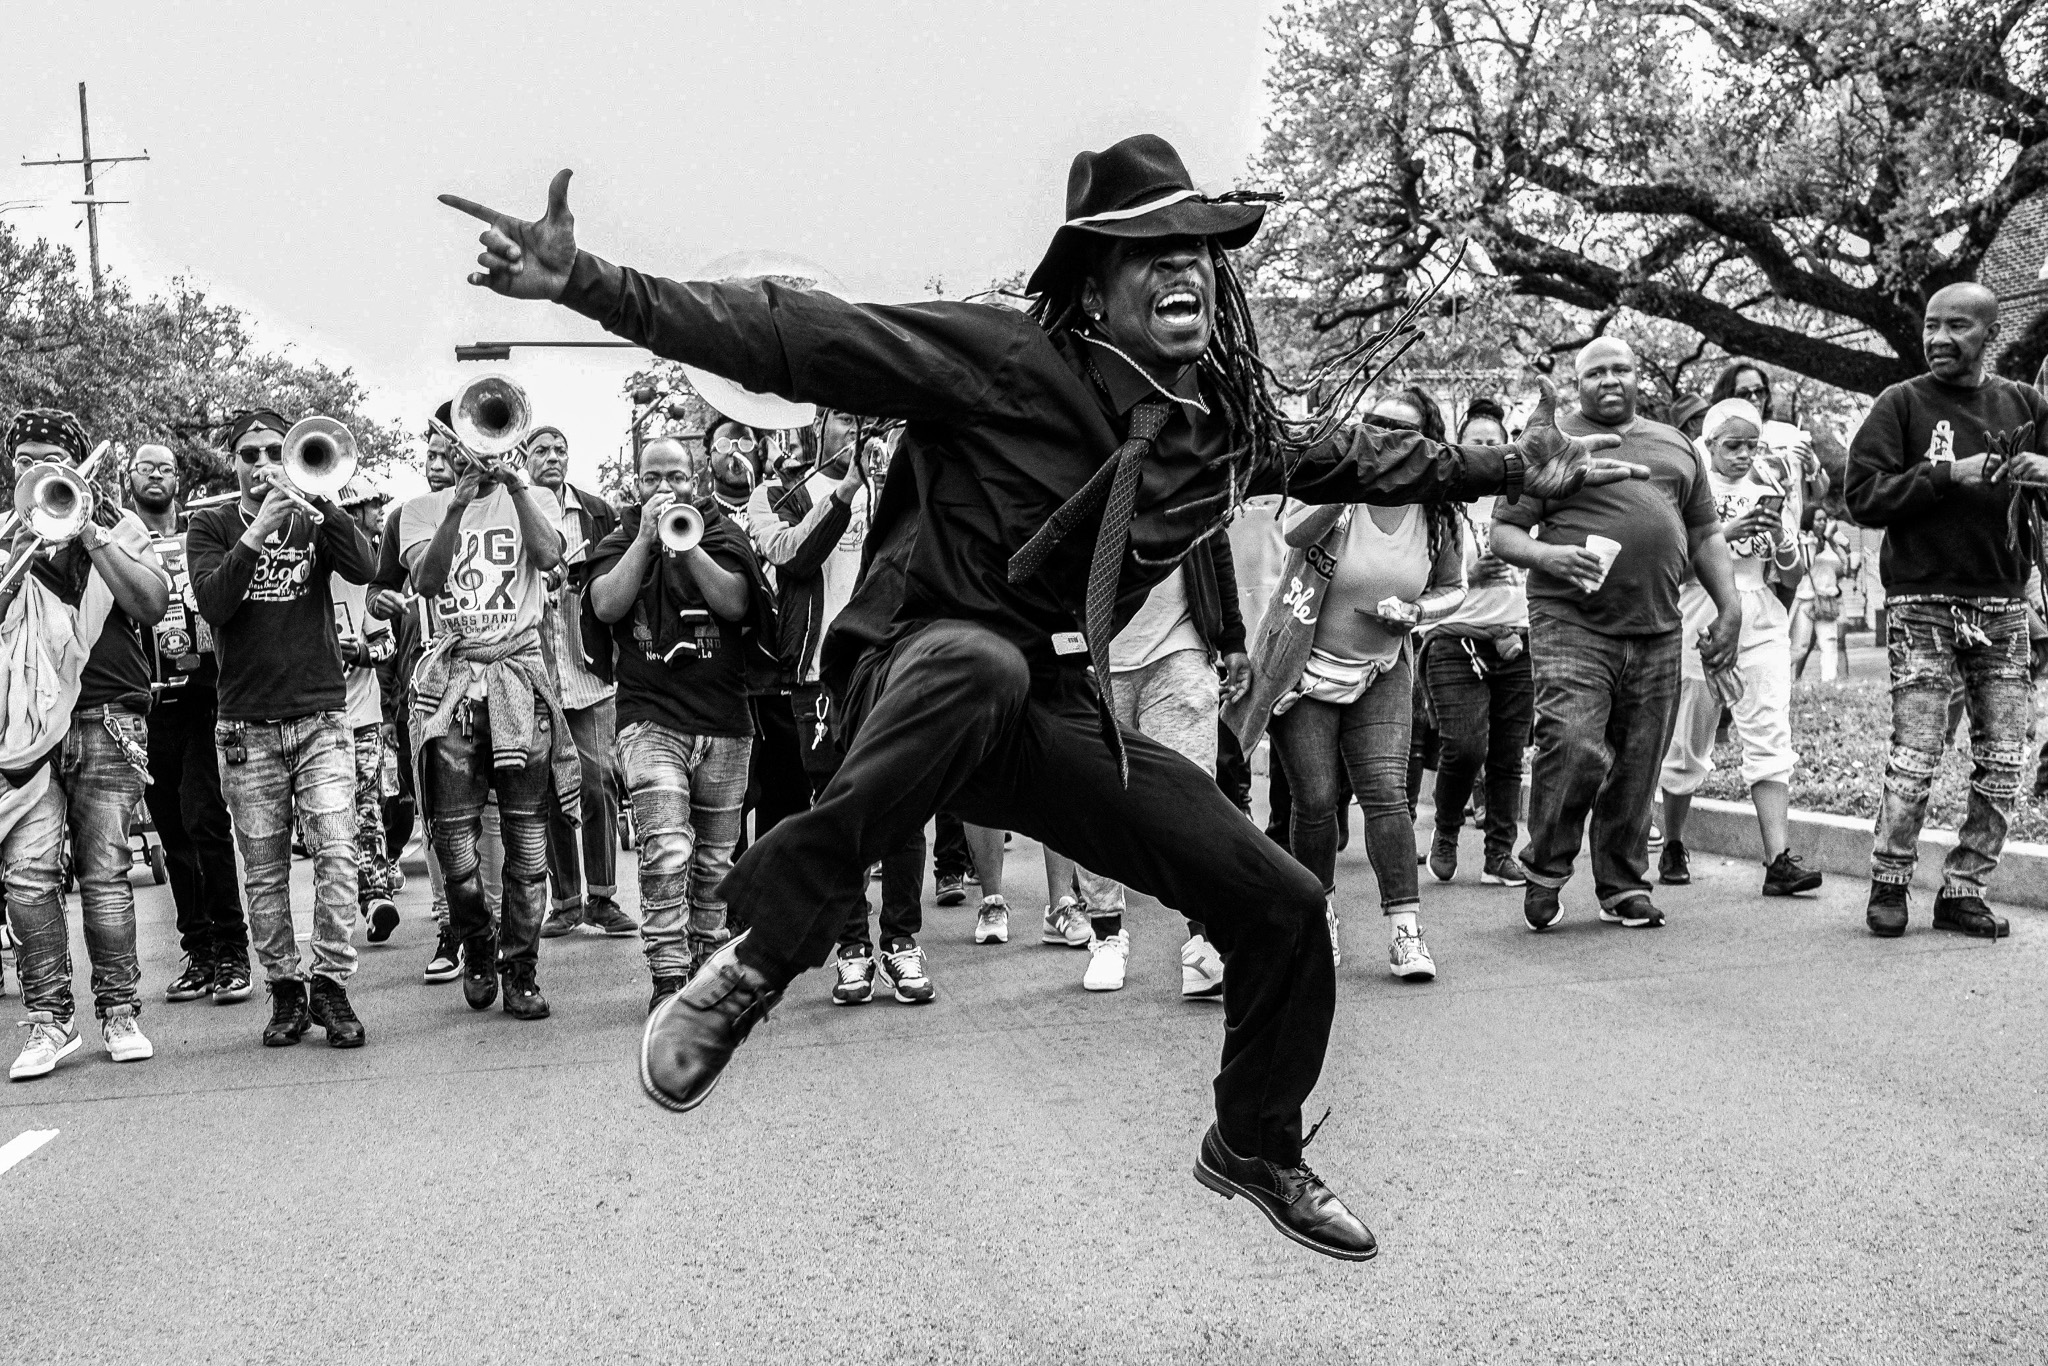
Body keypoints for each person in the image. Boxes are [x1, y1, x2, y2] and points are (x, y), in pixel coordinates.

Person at [443, 134, 1633, 1261]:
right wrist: (588, 282)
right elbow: (794, 334)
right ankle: (760, 954)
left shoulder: (1210, 431)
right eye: (1146, 251)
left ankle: (1255, 1139)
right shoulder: (1005, 358)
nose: (1181, 267)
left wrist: (1501, 467)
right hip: (915, 672)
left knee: (1277, 901)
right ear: (1096, 288)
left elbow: (1348, 457)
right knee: (982, 662)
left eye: (1197, 252)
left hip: (1052, 711)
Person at [1491, 338, 1742, 932]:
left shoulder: (1676, 444)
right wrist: (1550, 557)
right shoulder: (1552, 442)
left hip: (1657, 624)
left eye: (1620, 369)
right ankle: (1547, 868)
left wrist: (1729, 605)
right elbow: (1504, 534)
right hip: (1571, 621)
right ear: (1577, 384)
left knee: (1638, 760)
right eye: (1595, 372)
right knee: (1574, 745)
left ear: (1637, 378)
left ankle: (1623, 884)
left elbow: (1705, 534)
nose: (1610, 380)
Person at [1234, 388, 1466, 983]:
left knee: (1387, 792)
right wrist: (1347, 489)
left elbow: (1452, 587)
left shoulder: (1436, 510)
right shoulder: (1338, 485)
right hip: (1305, 668)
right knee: (1315, 803)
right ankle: (1320, 917)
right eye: (1377, 426)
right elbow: (1294, 539)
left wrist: (1418, 613)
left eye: (1404, 431)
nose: (1387, 438)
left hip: (1381, 667)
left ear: (1428, 441)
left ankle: (1405, 933)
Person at [1844, 281, 2048, 940]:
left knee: (2003, 758)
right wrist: (1946, 475)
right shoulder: (1900, 404)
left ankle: (1964, 889)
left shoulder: (2023, 402)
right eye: (1932, 325)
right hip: (1922, 602)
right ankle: (1891, 882)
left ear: (1989, 334)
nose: (1938, 338)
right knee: (1917, 754)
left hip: (2002, 604)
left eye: (1957, 326)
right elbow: (1863, 495)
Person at [188, 408, 375, 1050]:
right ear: (233, 463)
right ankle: (286, 990)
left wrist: (323, 501)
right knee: (264, 870)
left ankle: (331, 982)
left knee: (338, 853)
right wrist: (256, 533)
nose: (263, 463)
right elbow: (213, 603)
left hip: (320, 714)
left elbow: (365, 566)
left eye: (275, 450)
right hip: (246, 727)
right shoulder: (209, 524)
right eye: (249, 454)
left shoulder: (311, 515)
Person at [3, 413, 171, 1081]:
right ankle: (50, 1021)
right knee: (26, 877)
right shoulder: (7, 539)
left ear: (76, 467)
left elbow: (153, 604)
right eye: (24, 460)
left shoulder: (123, 529)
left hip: (107, 719)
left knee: (105, 878)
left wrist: (92, 533)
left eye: (50, 459)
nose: (35, 470)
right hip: (26, 735)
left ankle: (119, 1011)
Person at [748, 411, 934, 1006]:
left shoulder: (901, 485)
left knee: (904, 804)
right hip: (817, 674)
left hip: (889, 665)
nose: (857, 429)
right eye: (843, 419)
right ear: (816, 426)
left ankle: (902, 943)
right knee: (835, 809)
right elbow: (790, 556)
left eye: (863, 418)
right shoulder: (778, 492)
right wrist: (846, 492)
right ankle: (852, 948)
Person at [400, 418, 573, 1022]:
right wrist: (459, 502)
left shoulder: (536, 496)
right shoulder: (421, 508)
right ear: (449, 448)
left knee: (528, 846)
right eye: (463, 444)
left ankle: (520, 966)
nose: (477, 451)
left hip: (519, 680)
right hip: (453, 685)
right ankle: (478, 943)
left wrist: (516, 485)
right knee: (455, 846)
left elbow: (550, 557)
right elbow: (425, 579)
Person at [590, 436, 770, 1011]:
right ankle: (668, 976)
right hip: (650, 720)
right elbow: (605, 606)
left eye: (676, 477)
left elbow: (738, 604)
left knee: (716, 859)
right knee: (666, 845)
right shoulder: (619, 538)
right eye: (651, 479)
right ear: (635, 484)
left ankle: (706, 963)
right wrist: (646, 537)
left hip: (723, 721)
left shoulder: (720, 533)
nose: (664, 489)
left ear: (697, 480)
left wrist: (686, 544)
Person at [1065, 508, 1248, 995]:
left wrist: (1233, 638)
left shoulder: (1183, 454)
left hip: (1179, 650)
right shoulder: (1084, 452)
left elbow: (1215, 542)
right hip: (1095, 658)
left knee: (1193, 799)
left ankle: (1205, 941)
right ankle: (1106, 934)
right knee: (1096, 799)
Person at [1656, 399, 1823, 897]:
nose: (1744, 455)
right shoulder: (1689, 494)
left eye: (1752, 445)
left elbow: (1792, 574)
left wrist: (1785, 543)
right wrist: (1721, 536)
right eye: (1733, 446)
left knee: (1770, 732)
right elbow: (1672, 570)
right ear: (1708, 445)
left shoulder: (1768, 490)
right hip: (1698, 620)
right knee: (1689, 741)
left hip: (1761, 620)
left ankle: (1778, 860)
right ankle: (1673, 841)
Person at [132, 444, 252, 1006]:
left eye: (164, 467)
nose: (154, 475)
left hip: (207, 698)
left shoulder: (200, 532)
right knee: (172, 833)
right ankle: (199, 951)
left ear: (179, 479)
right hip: (149, 706)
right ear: (127, 479)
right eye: (143, 467)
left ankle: (232, 949)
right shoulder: (119, 541)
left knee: (204, 818)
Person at [522, 425, 634, 939]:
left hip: (589, 671)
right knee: (550, 788)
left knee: (599, 783)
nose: (552, 458)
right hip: (535, 673)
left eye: (559, 450)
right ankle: (565, 901)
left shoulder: (598, 511)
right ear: (524, 458)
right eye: (541, 450)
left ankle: (603, 899)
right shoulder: (512, 510)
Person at [1416, 399, 1532, 888]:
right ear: (1459, 446)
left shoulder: (1522, 502)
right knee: (1463, 748)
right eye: (1476, 442)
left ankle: (1499, 854)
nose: (1486, 449)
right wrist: (1471, 573)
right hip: (1454, 640)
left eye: (1494, 441)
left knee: (1508, 755)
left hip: (1517, 643)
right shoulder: (1441, 502)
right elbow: (1418, 575)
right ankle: (1445, 832)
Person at [332, 480, 401, 942]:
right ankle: (334, 909)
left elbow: (387, 643)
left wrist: (359, 652)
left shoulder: (366, 576)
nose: (379, 512)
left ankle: (376, 897)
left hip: (361, 717)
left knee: (365, 810)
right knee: (328, 822)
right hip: (305, 716)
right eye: (372, 505)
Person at [1790, 508, 1858, 682]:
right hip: (1806, 599)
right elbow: (1806, 565)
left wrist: (1831, 541)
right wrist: (1816, 542)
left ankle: (1829, 680)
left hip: (1827, 599)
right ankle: (1785, 679)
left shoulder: (1833, 541)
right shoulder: (1804, 540)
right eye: (1817, 519)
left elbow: (1845, 566)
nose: (1822, 523)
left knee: (1829, 642)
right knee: (1800, 646)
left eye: (1824, 519)